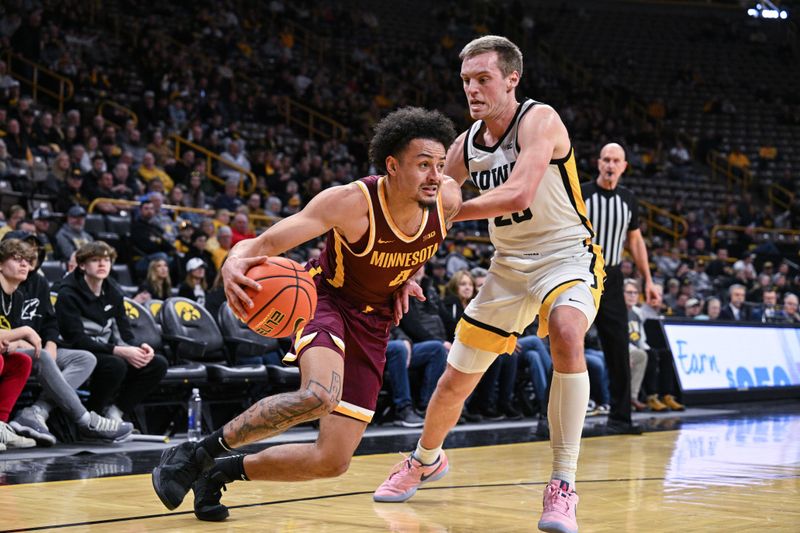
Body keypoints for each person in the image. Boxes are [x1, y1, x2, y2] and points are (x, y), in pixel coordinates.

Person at [151, 107, 461, 522]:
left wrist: (404, 275)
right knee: (319, 394)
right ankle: (194, 455)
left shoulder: (447, 197)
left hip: (375, 323)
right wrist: (231, 262)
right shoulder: (351, 203)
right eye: (424, 165)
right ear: (392, 165)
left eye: (439, 165)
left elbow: (424, 241)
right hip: (324, 299)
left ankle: (219, 473)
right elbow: (263, 242)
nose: (434, 175)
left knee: (332, 461)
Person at [373, 36, 604, 533]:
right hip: (508, 267)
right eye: (466, 81)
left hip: (564, 255)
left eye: (483, 79)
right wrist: (411, 269)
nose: (472, 90)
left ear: (511, 78)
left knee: (567, 332)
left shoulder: (540, 120)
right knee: (455, 378)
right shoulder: (464, 145)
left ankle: (563, 482)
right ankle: (425, 458)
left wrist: (450, 207)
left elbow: (517, 190)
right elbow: (436, 213)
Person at [2, 231, 133, 444]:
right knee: (44, 356)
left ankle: (37, 411)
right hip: (19, 347)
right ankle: (85, 420)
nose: (27, 260)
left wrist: (51, 343)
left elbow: (50, 323)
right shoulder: (14, 287)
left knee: (85, 358)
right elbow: (14, 330)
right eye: (19, 255)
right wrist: (26, 340)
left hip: (38, 347)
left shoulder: (36, 284)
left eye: (30, 255)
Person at [582, 142, 657, 433]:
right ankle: (549, 419)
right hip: (582, 274)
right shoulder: (584, 194)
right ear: (598, 163)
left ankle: (620, 418)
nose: (610, 165)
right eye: (606, 159)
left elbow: (636, 241)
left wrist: (647, 279)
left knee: (619, 350)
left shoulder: (628, 199)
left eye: (616, 160)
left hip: (613, 278)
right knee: (567, 345)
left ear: (624, 166)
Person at [56, 241, 168, 423]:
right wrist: (119, 351)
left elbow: (125, 332)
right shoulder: (67, 293)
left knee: (158, 363)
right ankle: (93, 415)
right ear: (82, 265)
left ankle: (115, 411)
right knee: (115, 364)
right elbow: (75, 339)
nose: (102, 264)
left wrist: (139, 348)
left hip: (107, 349)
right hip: (78, 351)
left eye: (106, 260)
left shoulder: (113, 291)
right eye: (95, 260)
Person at [623, 280, 648, 412]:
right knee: (641, 355)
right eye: (629, 292)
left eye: (635, 293)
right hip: (619, 349)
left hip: (633, 348)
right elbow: (616, 338)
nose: (632, 295)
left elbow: (640, 337)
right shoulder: (618, 312)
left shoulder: (637, 313)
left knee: (651, 355)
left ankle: (649, 397)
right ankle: (632, 397)